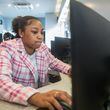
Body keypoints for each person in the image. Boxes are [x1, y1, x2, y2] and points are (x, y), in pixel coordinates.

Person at [0, 16, 71, 110]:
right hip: (22, 101)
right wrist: (33, 96)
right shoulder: (7, 48)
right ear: (21, 32)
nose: (40, 36)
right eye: (34, 32)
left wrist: (70, 69)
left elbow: (54, 62)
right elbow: (2, 82)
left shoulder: (42, 48)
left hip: (42, 94)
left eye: (42, 32)